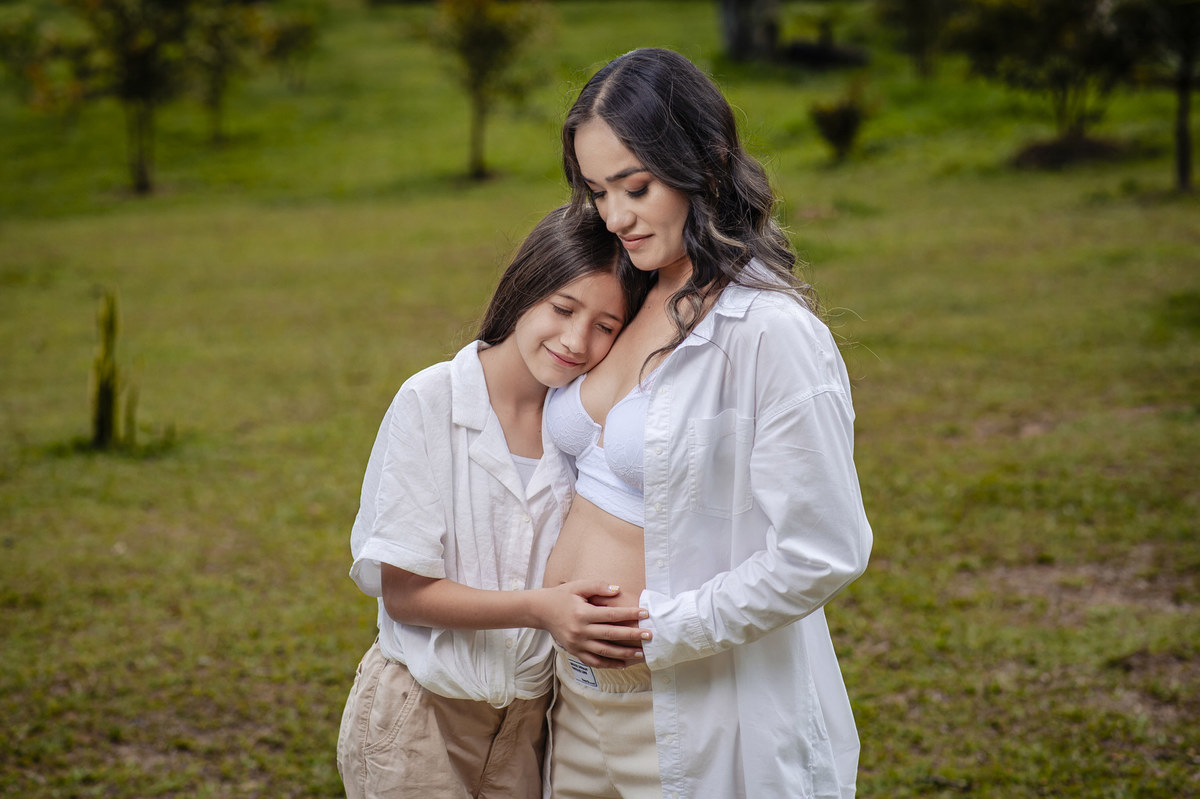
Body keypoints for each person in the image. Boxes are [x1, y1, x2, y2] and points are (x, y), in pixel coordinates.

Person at [542, 48, 873, 799]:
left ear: (704, 163)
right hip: (573, 701)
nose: (615, 216)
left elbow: (824, 550)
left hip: (688, 711)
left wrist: (658, 626)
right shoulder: (618, 292)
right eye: (597, 191)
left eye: (636, 186)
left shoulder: (769, 332)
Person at [337, 205, 654, 799]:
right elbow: (405, 594)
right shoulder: (430, 402)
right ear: (524, 288)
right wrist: (544, 609)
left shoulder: (580, 426)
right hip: (424, 718)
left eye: (606, 326)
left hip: (532, 720)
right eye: (563, 309)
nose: (574, 340)